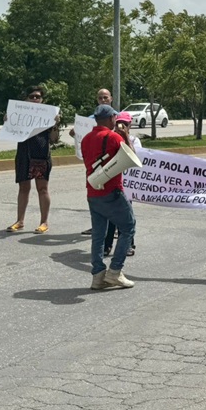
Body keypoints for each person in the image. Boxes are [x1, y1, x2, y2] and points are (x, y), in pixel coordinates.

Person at [82, 104, 137, 290]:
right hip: (112, 191)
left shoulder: (86, 138)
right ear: (108, 119)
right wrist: (126, 136)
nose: (116, 120)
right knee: (128, 227)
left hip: (93, 191)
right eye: (114, 117)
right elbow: (132, 156)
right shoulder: (113, 137)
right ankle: (115, 272)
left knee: (98, 235)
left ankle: (98, 276)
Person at [6, 86, 60, 234]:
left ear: (42, 100)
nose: (35, 99)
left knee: (42, 189)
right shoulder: (19, 114)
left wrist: (55, 125)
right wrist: (8, 121)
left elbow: (54, 140)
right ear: (26, 99)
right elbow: (9, 133)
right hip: (24, 155)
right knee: (23, 188)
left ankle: (44, 222)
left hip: (41, 156)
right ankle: (20, 221)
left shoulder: (47, 115)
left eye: (38, 97)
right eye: (32, 96)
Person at [78, 88, 116, 235]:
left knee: (113, 196)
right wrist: (76, 133)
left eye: (105, 97)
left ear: (111, 98)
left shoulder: (117, 117)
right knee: (97, 194)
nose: (103, 100)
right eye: (100, 98)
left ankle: (113, 229)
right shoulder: (90, 119)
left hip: (112, 163)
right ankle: (98, 226)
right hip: (95, 164)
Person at [103, 112, 140, 258]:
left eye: (125, 123)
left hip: (127, 184)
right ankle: (107, 245)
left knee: (126, 216)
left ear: (130, 124)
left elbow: (134, 156)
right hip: (112, 182)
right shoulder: (111, 138)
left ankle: (128, 244)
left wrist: (125, 137)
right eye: (119, 122)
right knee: (110, 217)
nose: (121, 126)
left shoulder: (134, 140)